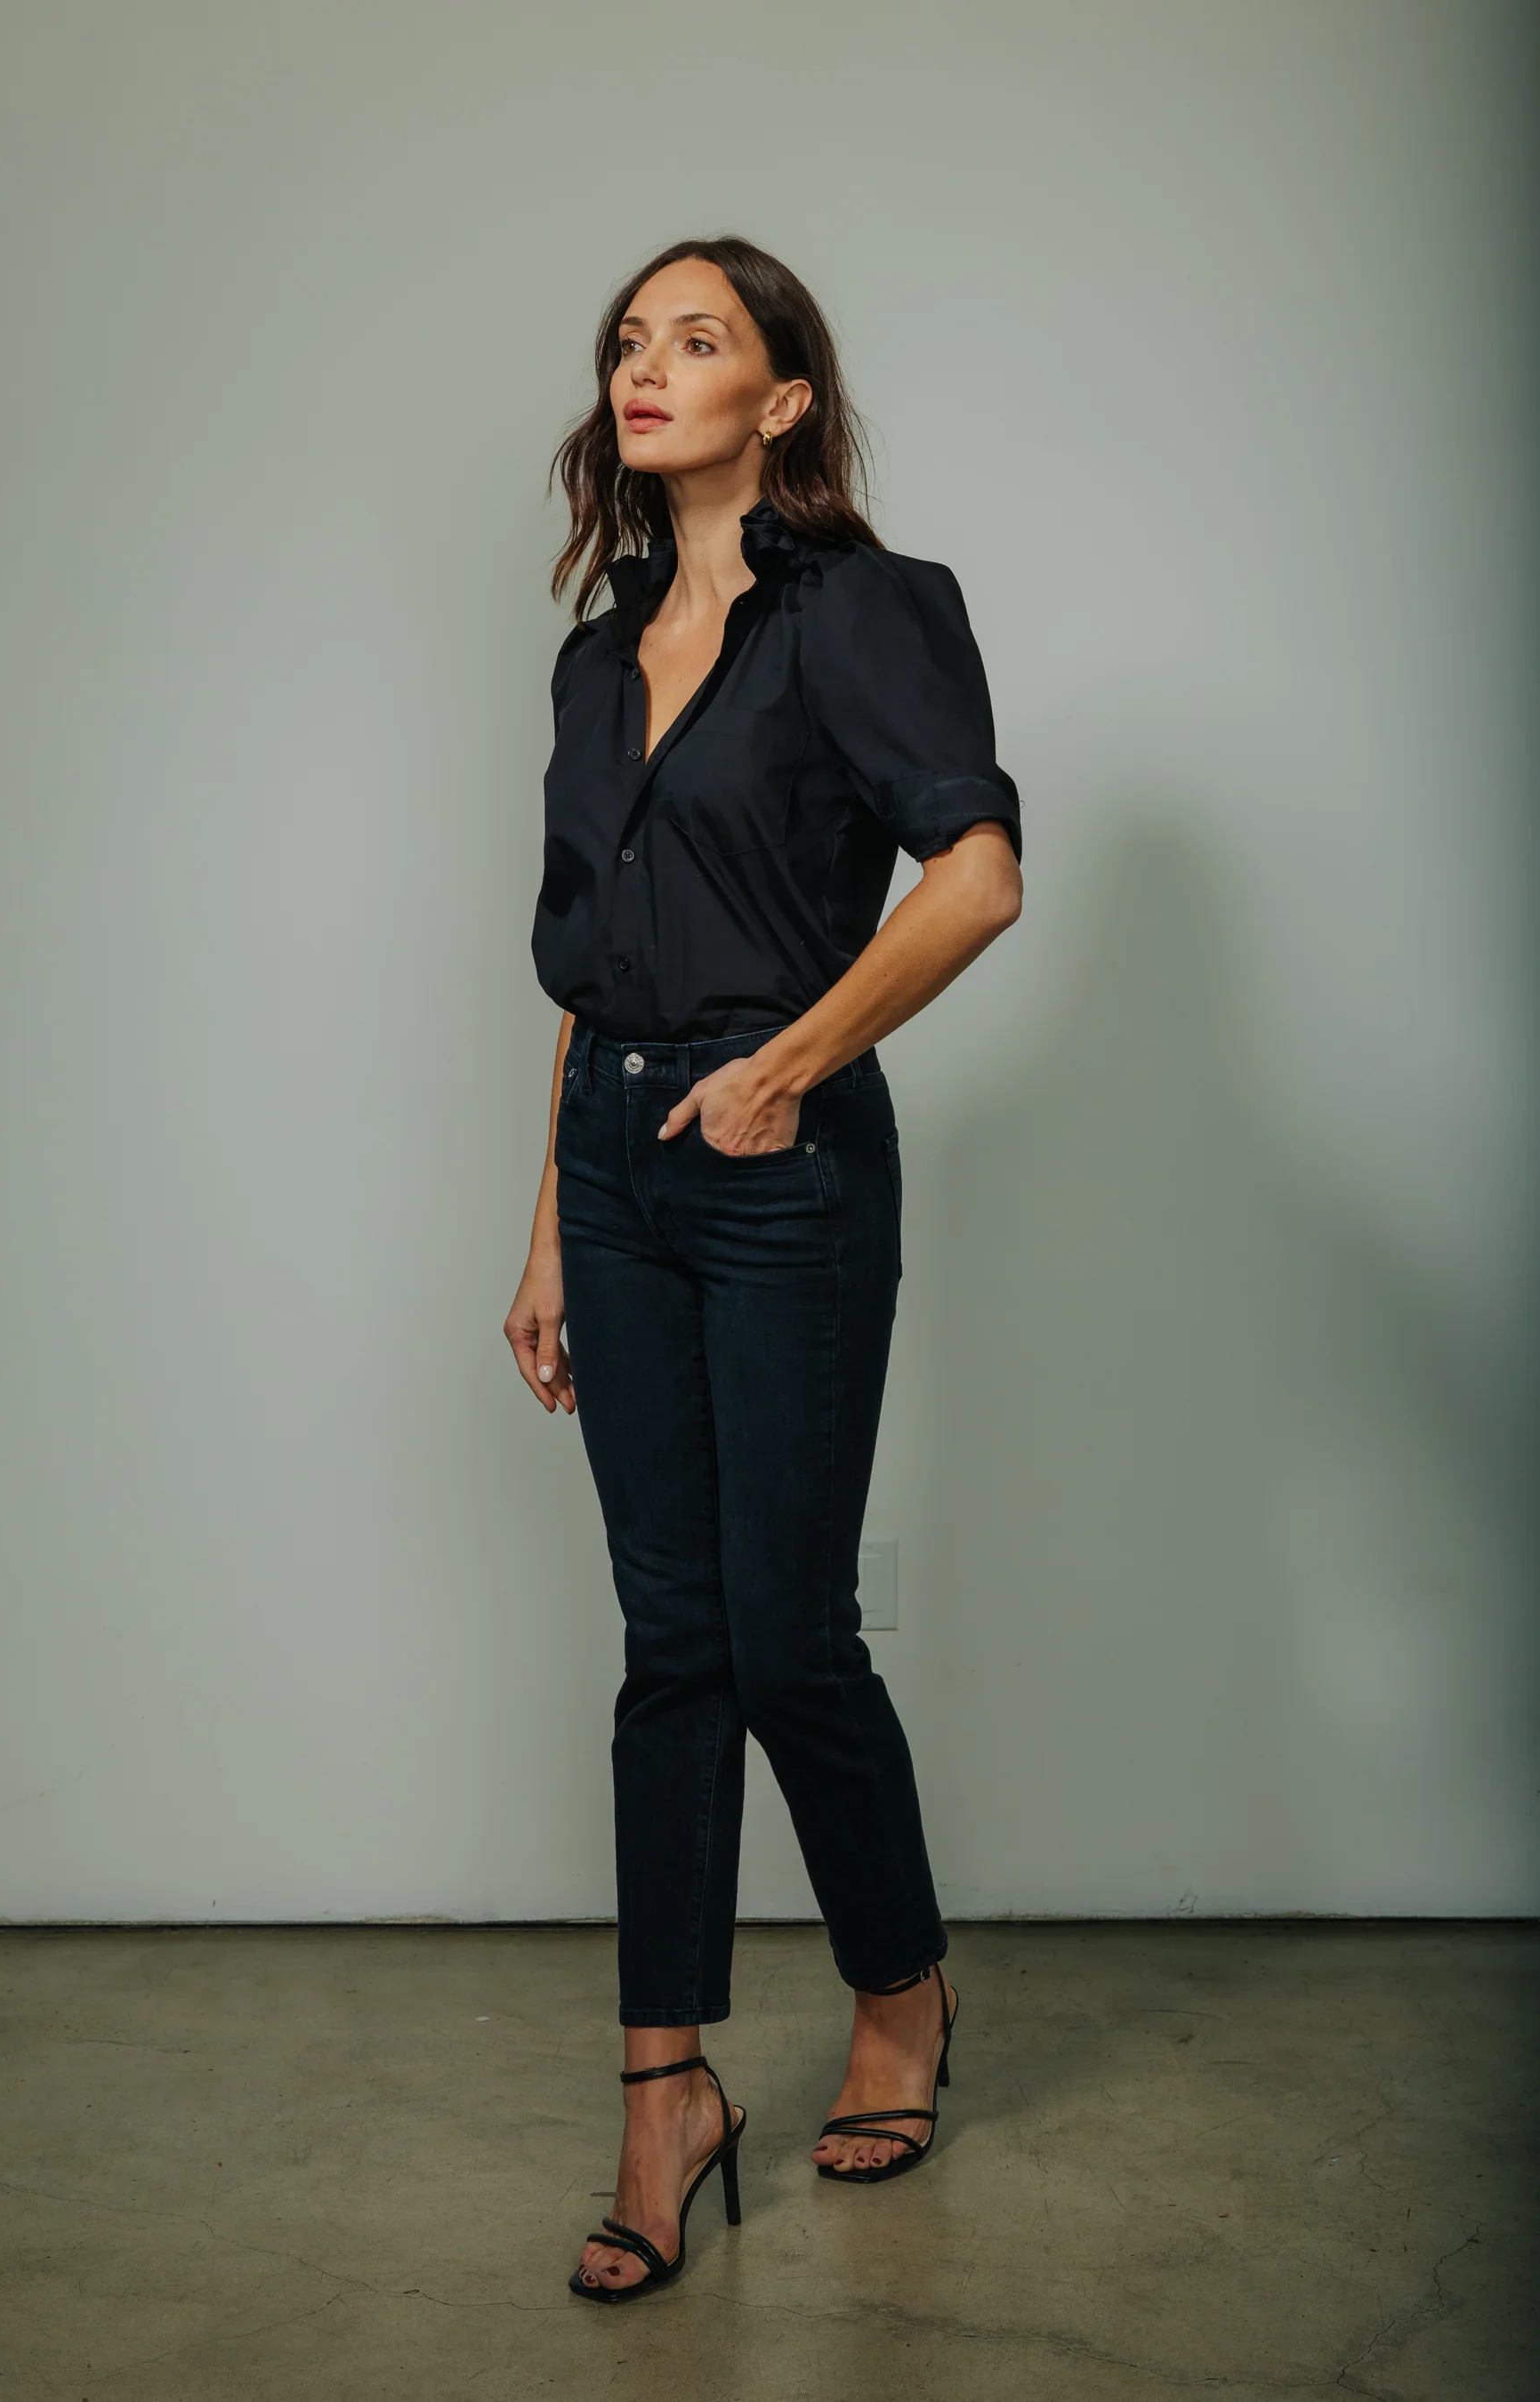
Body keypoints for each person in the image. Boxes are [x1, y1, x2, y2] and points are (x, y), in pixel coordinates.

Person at [505, 235, 1023, 2301]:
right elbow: (591, 965)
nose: (646, 367)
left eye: (698, 339)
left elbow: (977, 878)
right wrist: (551, 1226)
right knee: (670, 1644)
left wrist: (790, 1067)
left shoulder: (867, 614)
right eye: (629, 341)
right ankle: (667, 2099)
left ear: (782, 398)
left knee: (789, 1640)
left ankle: (902, 1991)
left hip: (782, 1167)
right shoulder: (594, 656)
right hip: (616, 1168)